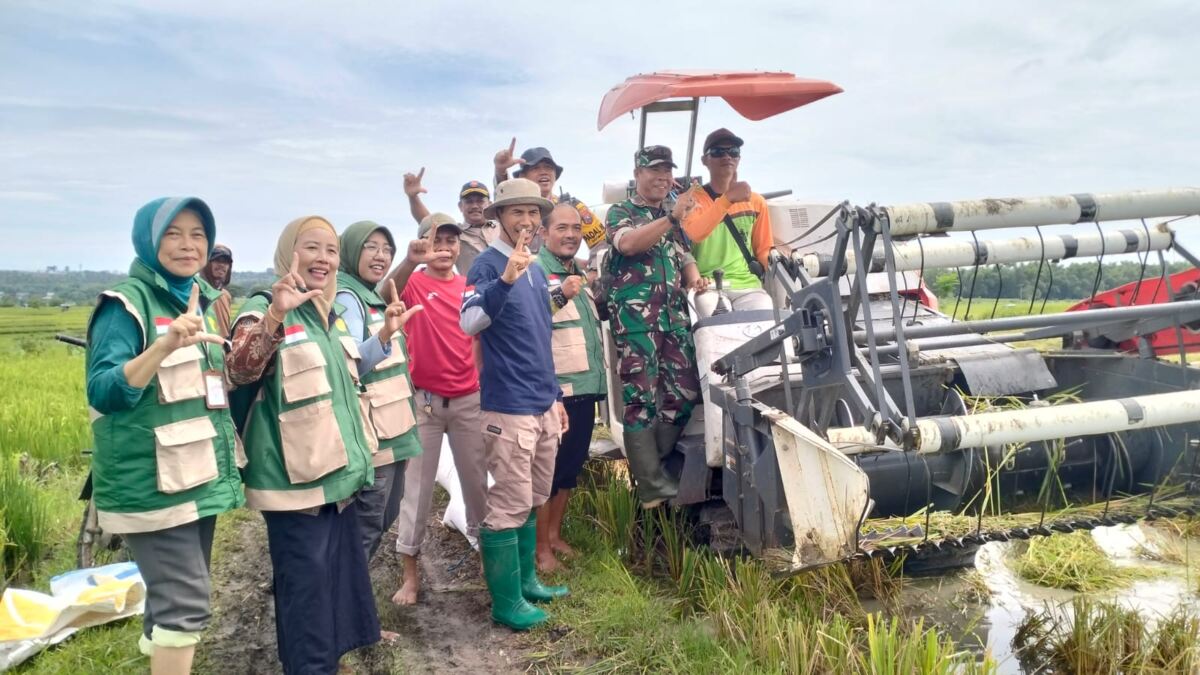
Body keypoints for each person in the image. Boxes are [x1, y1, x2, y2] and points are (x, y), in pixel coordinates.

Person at [227, 216, 409, 673]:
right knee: (305, 586)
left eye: (330, 250)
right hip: (293, 482)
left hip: (336, 472)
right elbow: (239, 369)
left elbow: (351, 375)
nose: (323, 259)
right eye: (311, 248)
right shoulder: (264, 306)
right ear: (289, 252)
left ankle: (323, 660)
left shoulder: (328, 314)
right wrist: (275, 316)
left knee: (334, 580)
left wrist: (385, 334)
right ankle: (309, 665)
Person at [85, 197, 242, 674]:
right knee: (186, 604)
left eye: (198, 234)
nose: (187, 245)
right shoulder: (125, 304)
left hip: (195, 475)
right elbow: (104, 390)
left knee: (167, 603)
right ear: (150, 241)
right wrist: (164, 345)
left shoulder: (204, 302)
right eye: (173, 233)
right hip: (150, 484)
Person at [460, 178, 570, 630]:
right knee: (507, 505)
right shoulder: (486, 267)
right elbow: (469, 322)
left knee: (532, 497)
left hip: (542, 402)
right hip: (507, 406)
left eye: (532, 212)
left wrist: (557, 396)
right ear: (499, 218)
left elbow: (540, 337)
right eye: (516, 212)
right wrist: (505, 281)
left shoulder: (539, 268)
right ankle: (506, 603)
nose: (526, 220)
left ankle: (526, 584)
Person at [384, 212, 490, 607]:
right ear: (424, 245)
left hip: (468, 402)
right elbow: (384, 291)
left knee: (477, 485)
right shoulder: (411, 283)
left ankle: (487, 563)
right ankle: (410, 576)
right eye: (436, 241)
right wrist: (411, 259)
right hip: (426, 404)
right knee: (417, 490)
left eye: (450, 241)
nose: (444, 249)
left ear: (460, 246)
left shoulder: (468, 287)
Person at [604, 146, 705, 508]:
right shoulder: (622, 212)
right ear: (638, 174)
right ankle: (650, 485)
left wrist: (694, 276)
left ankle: (651, 470)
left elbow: (684, 253)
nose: (663, 177)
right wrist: (671, 218)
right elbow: (628, 243)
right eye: (655, 171)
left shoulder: (673, 213)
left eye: (667, 171)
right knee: (640, 399)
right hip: (635, 319)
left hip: (673, 315)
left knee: (686, 391)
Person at [336, 221, 423, 567]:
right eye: (370, 246)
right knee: (366, 525)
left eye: (387, 248)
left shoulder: (370, 294)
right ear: (352, 250)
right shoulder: (347, 295)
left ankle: (348, 608)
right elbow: (350, 363)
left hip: (392, 426)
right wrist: (386, 335)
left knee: (382, 516)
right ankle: (345, 611)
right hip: (374, 433)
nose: (381, 255)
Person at [533, 198, 607, 573]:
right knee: (547, 471)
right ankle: (541, 550)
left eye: (576, 229)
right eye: (561, 228)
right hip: (558, 389)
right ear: (544, 233)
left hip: (586, 385)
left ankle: (556, 536)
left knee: (569, 469)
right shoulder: (536, 270)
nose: (571, 235)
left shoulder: (579, 269)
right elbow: (531, 324)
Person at [681, 128, 775, 316]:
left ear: (739, 158)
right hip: (706, 286)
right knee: (716, 328)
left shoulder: (756, 202)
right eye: (717, 152)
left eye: (733, 152)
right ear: (704, 161)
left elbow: (763, 249)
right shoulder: (690, 200)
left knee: (764, 321)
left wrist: (781, 262)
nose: (727, 157)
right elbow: (695, 233)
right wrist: (728, 199)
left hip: (748, 285)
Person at [492, 139, 606, 262]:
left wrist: (593, 269)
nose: (544, 172)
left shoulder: (573, 206)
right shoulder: (516, 206)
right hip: (523, 274)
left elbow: (600, 241)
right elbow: (505, 193)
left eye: (548, 167)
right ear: (522, 176)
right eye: (536, 168)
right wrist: (500, 171)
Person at [402, 167, 496, 275]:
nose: (474, 206)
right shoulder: (456, 234)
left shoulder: (503, 227)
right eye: (469, 202)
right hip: (476, 291)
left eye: (480, 201)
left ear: (489, 204)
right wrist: (413, 197)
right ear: (460, 206)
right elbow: (429, 222)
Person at [199, 243, 234, 336]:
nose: (222, 265)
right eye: (217, 260)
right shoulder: (197, 291)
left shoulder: (225, 295)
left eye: (226, 262)